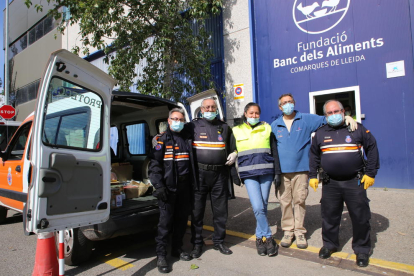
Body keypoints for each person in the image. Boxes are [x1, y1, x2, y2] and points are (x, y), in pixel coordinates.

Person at [270, 93, 357, 249]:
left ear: (294, 102)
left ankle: (299, 232)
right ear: (280, 107)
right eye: (285, 103)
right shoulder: (275, 125)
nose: (288, 104)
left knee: (299, 201)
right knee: (284, 202)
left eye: (290, 101)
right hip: (282, 172)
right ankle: (288, 232)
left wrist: (347, 118)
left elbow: (329, 120)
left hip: (301, 170)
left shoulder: (306, 119)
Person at [309, 100, 379, 267]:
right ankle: (329, 245)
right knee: (329, 216)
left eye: (336, 111)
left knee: (360, 217)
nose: (333, 115)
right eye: (329, 113)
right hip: (330, 183)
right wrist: (313, 175)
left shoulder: (356, 129)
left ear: (343, 112)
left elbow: (372, 148)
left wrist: (370, 173)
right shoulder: (320, 133)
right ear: (325, 116)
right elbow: (314, 156)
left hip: (354, 181)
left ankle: (362, 249)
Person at [149, 108, 197, 273]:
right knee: (165, 223)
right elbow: (154, 167)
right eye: (175, 119)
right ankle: (161, 255)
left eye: (181, 119)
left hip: (185, 188)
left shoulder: (187, 138)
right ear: (169, 121)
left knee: (182, 221)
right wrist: (159, 186)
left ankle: (177, 249)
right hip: (168, 188)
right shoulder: (161, 140)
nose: (178, 122)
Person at [189, 97, 237, 258]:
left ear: (216, 109)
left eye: (213, 107)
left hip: (219, 174)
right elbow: (177, 136)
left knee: (221, 210)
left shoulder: (223, 127)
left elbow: (232, 146)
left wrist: (235, 153)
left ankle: (219, 242)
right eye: (207, 107)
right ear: (201, 110)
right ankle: (196, 244)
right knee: (197, 211)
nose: (210, 110)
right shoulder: (193, 126)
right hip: (199, 174)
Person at [231, 102, 280, 256]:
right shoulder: (236, 130)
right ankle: (269, 237)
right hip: (249, 174)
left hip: (266, 172)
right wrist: (234, 169)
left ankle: (259, 238)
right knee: (258, 207)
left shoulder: (267, 128)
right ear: (245, 113)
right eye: (251, 113)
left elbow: (274, 151)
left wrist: (277, 172)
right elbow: (232, 149)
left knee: (263, 206)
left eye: (256, 113)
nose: (254, 116)